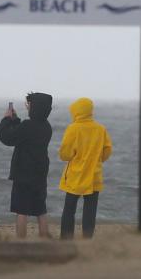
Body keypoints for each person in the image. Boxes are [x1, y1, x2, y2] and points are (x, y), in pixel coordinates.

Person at [0, 92, 54, 239]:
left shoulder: (28, 126)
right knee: (40, 210)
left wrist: (6, 119)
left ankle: (21, 242)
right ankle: (44, 239)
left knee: (21, 210)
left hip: (23, 174)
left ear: (35, 108)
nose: (27, 107)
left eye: (29, 105)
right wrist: (15, 120)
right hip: (40, 174)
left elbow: (6, 137)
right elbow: (21, 135)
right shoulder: (47, 127)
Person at [58, 97, 112, 239]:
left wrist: (74, 157)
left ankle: (66, 239)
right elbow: (107, 150)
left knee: (69, 209)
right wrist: (97, 160)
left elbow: (65, 154)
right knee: (90, 210)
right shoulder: (100, 129)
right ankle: (87, 239)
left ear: (76, 112)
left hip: (76, 176)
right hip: (94, 176)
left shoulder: (73, 129)